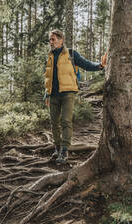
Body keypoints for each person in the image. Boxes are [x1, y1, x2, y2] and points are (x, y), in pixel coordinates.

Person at [44, 29, 107, 164]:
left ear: (61, 40)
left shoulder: (71, 54)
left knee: (66, 121)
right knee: (54, 123)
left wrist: (100, 65)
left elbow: (86, 64)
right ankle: (57, 148)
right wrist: (47, 95)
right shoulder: (49, 56)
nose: (51, 42)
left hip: (68, 93)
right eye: (50, 39)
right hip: (53, 95)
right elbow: (48, 77)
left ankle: (65, 151)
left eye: (53, 39)